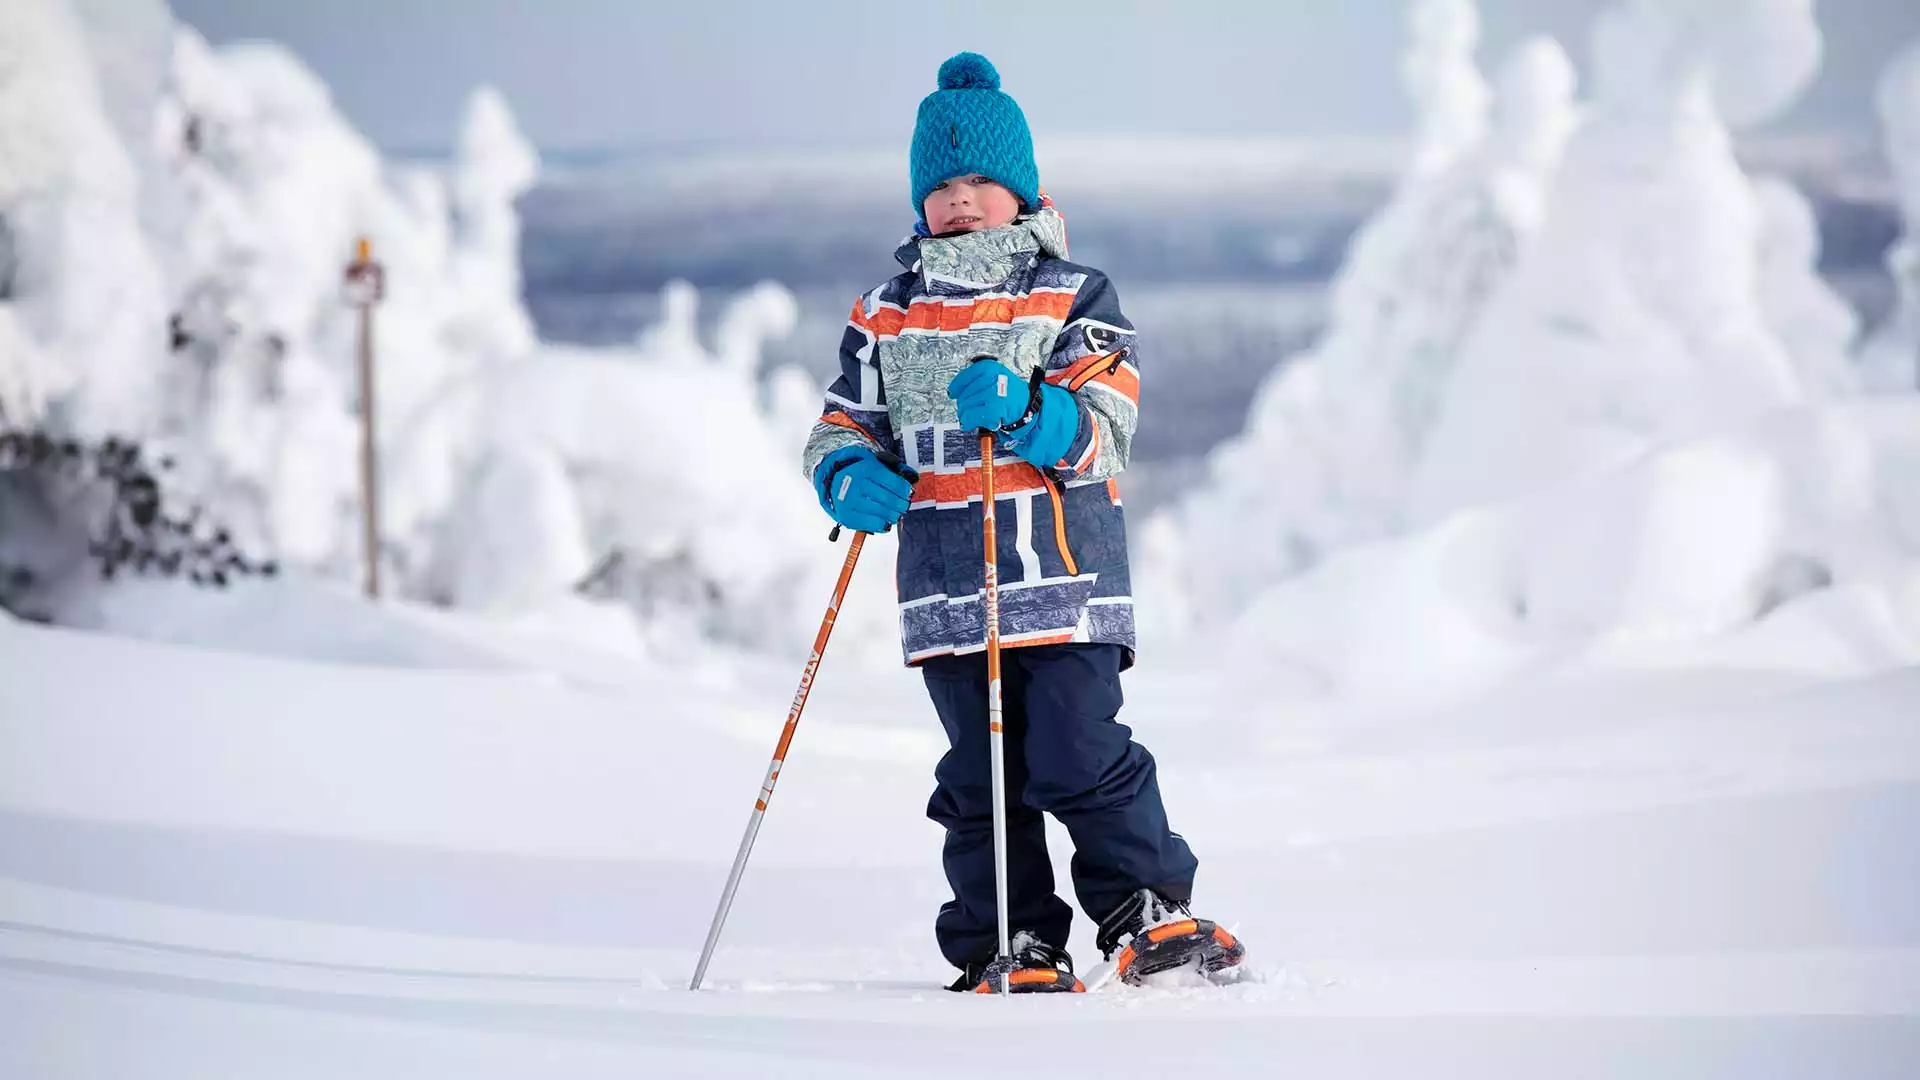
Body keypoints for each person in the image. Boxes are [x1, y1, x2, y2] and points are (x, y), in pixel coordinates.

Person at [800, 52, 1242, 991]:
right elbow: (847, 418)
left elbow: (1107, 426)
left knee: (1079, 754)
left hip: (1063, 583)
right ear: (920, 200)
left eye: (981, 183)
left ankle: (1148, 912)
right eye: (943, 185)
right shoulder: (887, 314)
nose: (961, 200)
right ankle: (1013, 938)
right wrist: (845, 472)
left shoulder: (1070, 294)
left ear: (1022, 192)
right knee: (980, 779)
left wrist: (1032, 410)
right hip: (949, 591)